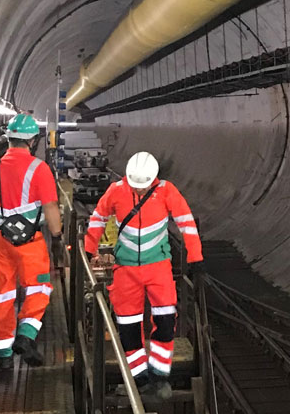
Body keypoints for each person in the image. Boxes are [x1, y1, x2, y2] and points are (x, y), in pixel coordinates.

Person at [84, 152, 203, 400]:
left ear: (153, 180)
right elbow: (97, 219)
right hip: (126, 269)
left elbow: (186, 222)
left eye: (143, 187)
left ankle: (160, 375)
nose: (138, 192)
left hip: (158, 266)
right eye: (135, 187)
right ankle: (140, 378)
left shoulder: (166, 191)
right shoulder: (116, 191)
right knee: (128, 325)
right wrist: (88, 248)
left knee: (167, 319)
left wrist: (195, 256)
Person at [0, 113, 63, 369]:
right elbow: (51, 208)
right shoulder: (39, 169)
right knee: (39, 286)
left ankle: (3, 356)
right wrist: (57, 237)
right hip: (28, 240)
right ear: (33, 141)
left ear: (9, 138)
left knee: (2, 293)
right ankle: (26, 335)